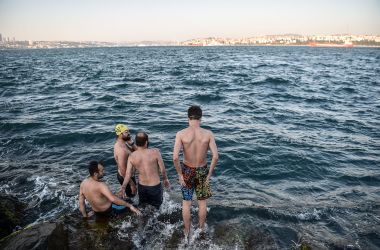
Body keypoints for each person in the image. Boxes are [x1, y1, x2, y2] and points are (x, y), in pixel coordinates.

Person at [173, 105, 218, 238]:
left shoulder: (181, 134)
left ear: (188, 118)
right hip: (202, 170)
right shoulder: (208, 134)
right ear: (201, 117)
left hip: (187, 170)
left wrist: (180, 174)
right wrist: (209, 174)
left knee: (186, 202)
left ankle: (187, 231)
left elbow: (175, 157)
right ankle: (202, 229)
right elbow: (215, 156)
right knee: (202, 202)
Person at [119, 131, 170, 209]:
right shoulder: (155, 152)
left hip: (142, 187)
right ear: (146, 142)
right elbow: (162, 169)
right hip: (154, 186)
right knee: (157, 208)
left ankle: (143, 220)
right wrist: (165, 179)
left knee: (143, 207)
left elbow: (128, 174)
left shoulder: (132, 156)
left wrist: (123, 187)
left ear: (136, 142)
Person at [114, 124, 137, 199]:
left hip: (127, 176)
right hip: (126, 177)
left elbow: (137, 153)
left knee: (131, 195)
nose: (129, 133)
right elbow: (123, 170)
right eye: (126, 132)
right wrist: (131, 184)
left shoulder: (123, 144)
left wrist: (133, 144)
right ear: (120, 134)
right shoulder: (121, 150)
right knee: (132, 196)